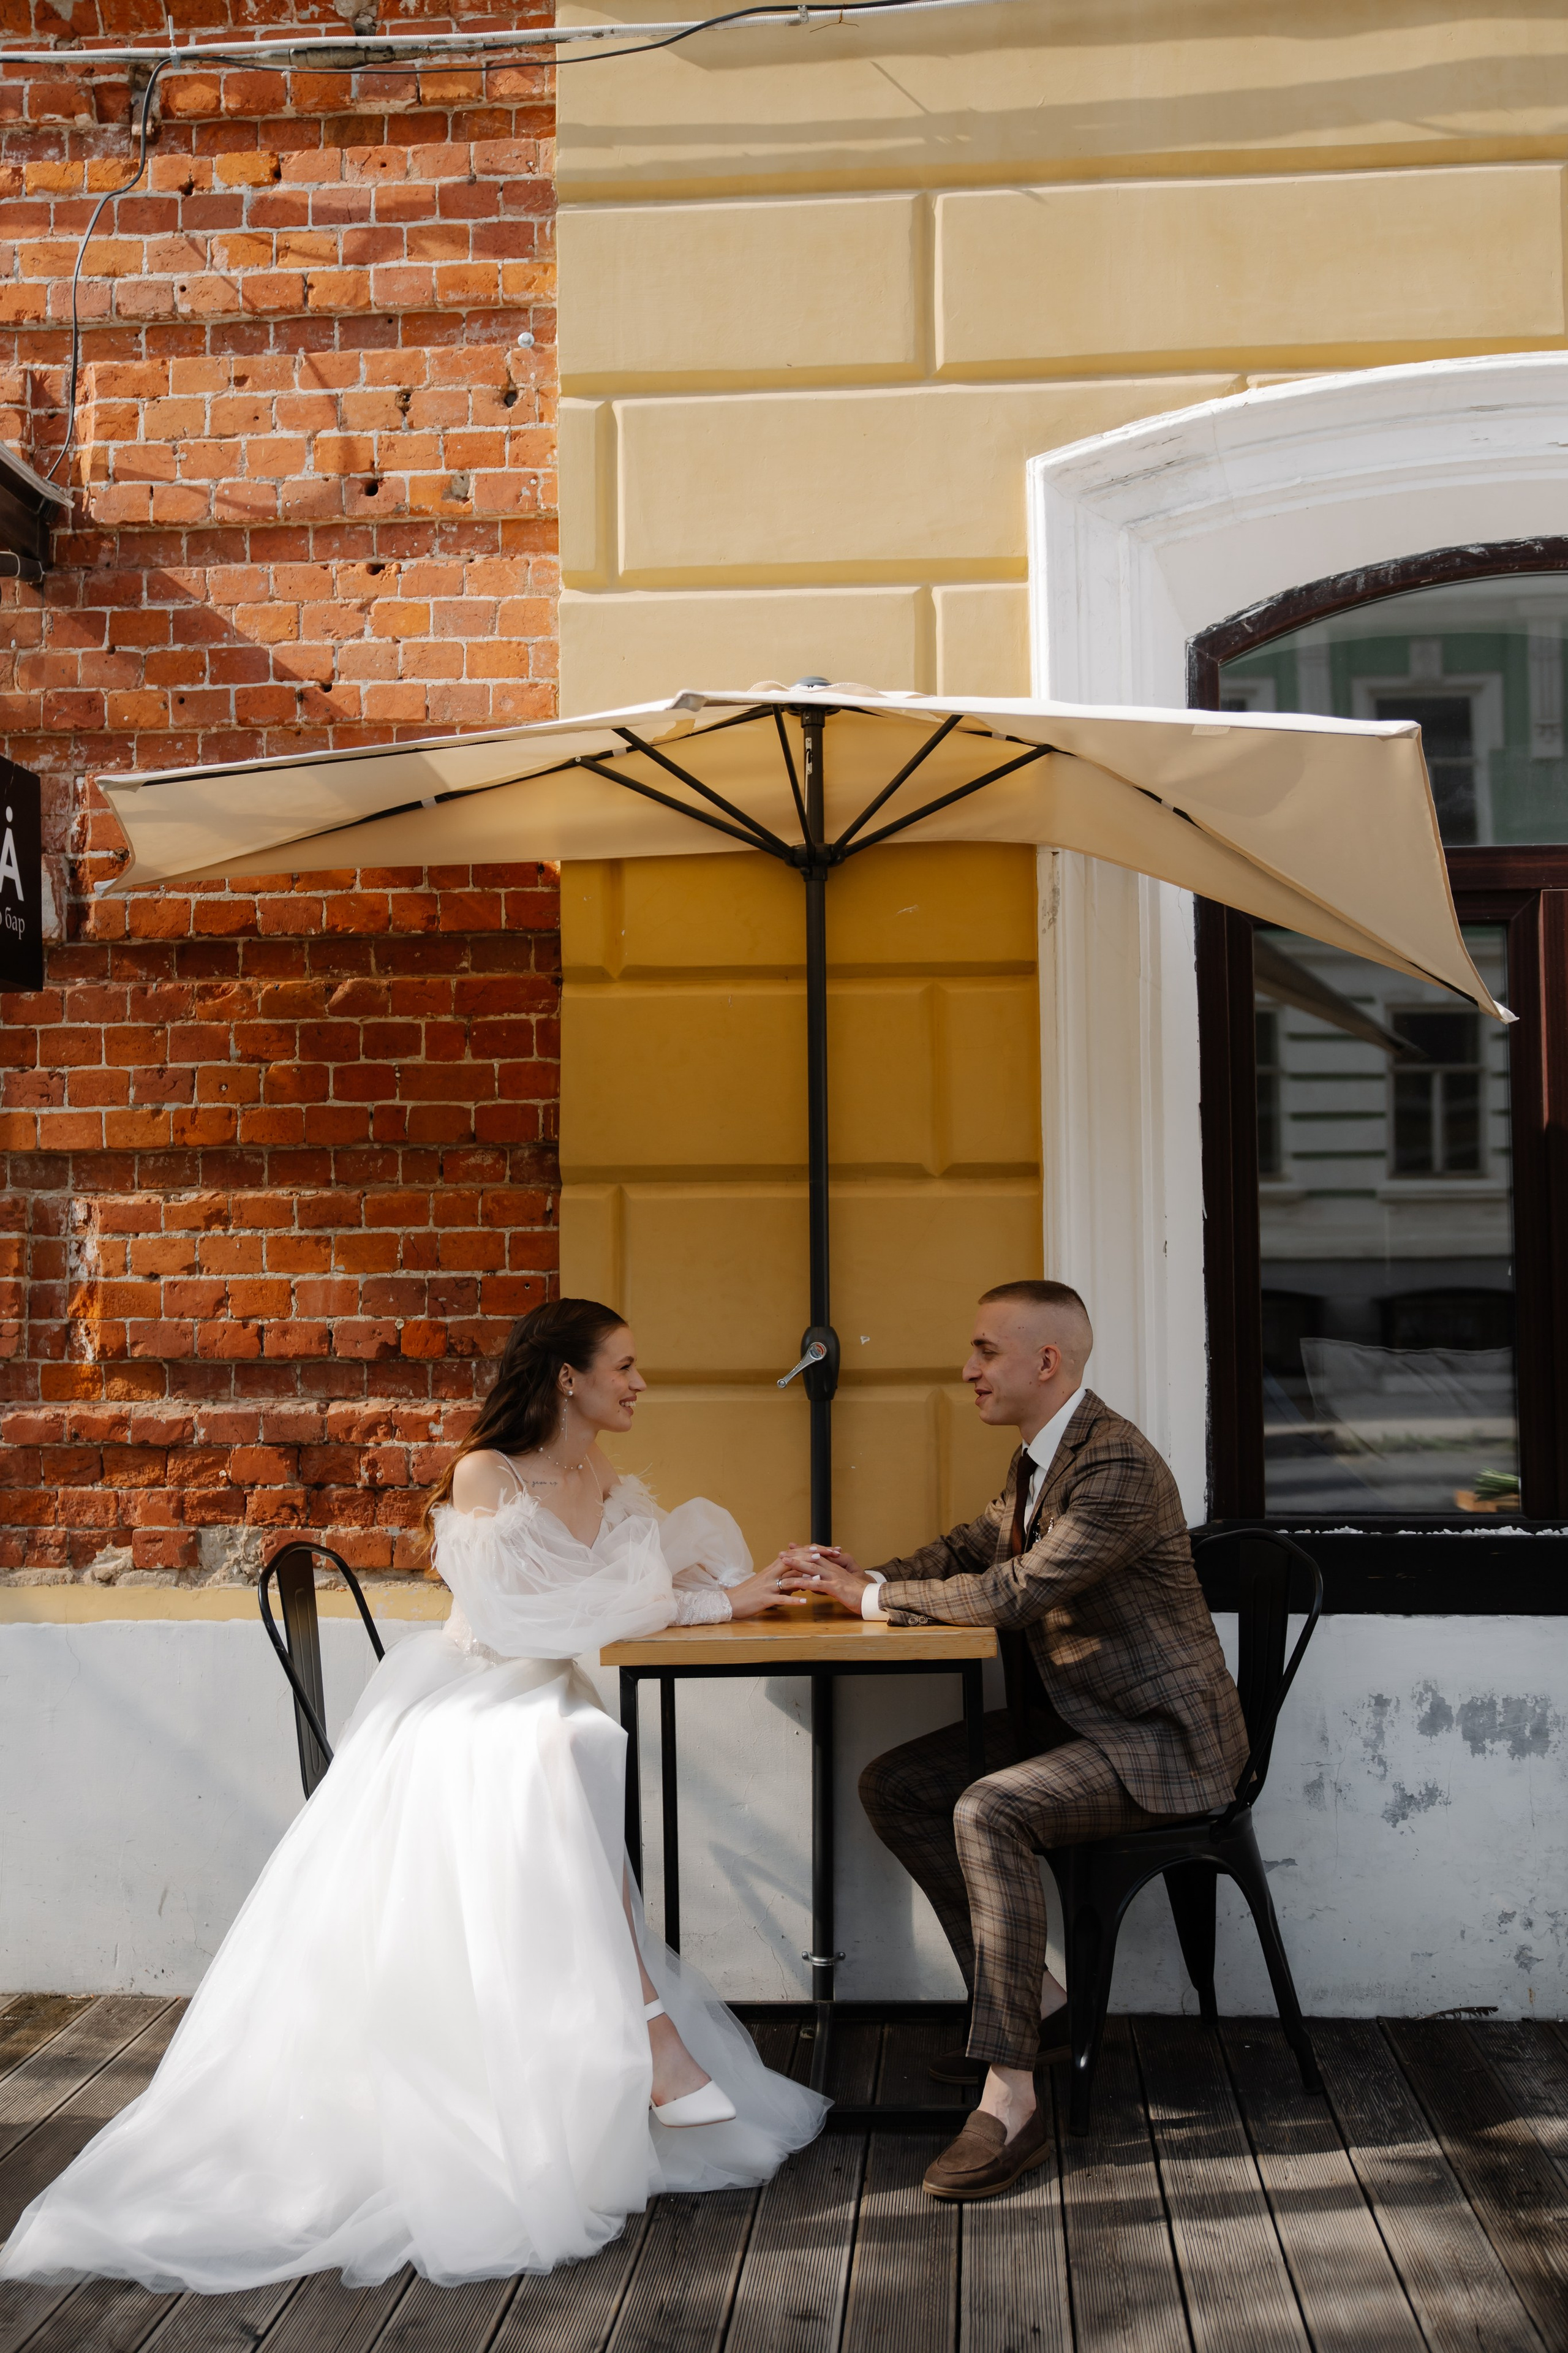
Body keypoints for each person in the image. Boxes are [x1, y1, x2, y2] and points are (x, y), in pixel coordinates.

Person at [0, 1299, 827, 2292]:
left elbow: (629, 1579)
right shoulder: (489, 1472)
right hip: (472, 1695)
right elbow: (520, 1619)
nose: (640, 1383)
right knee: (567, 1744)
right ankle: (648, 2033)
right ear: (569, 1377)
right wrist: (696, 1600)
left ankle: (634, 2047)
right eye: (626, 1365)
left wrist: (738, 1586)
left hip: (544, 1692)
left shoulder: (601, 1472)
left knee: (573, 1738)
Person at [779, 1278, 1246, 2206]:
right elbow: (971, 1549)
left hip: (1161, 1739)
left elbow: (1015, 1591)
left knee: (989, 1807)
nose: (967, 1369)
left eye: (986, 1351)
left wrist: (874, 1604)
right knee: (898, 1784)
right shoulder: (1041, 1458)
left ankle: (1014, 2094)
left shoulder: (1113, 1466)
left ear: (1048, 1362)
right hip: (1081, 1720)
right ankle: (1034, 2009)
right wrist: (864, 1574)